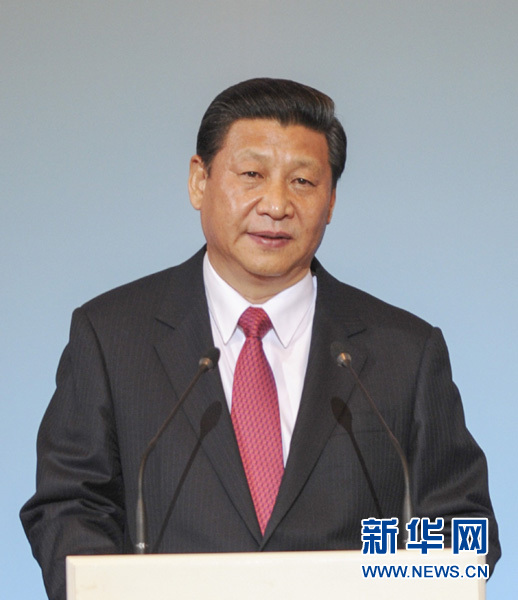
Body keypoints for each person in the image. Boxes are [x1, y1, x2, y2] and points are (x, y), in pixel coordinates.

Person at [21, 78, 500, 600]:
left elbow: (461, 526)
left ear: (331, 201)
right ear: (199, 181)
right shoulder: (112, 336)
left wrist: (379, 582)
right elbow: (70, 507)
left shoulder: (404, 352)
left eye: (303, 182)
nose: (276, 205)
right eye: (252, 174)